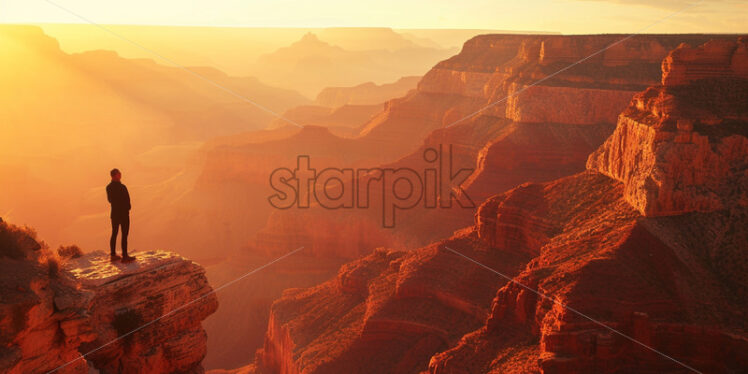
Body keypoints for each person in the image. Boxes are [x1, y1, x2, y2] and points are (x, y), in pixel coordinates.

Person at [106, 168, 135, 262]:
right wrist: (127, 208)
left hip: (114, 214)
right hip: (123, 214)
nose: (120, 175)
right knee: (124, 234)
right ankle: (125, 256)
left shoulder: (109, 187)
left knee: (114, 233)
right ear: (115, 175)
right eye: (119, 174)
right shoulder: (122, 187)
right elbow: (127, 200)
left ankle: (113, 255)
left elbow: (110, 200)